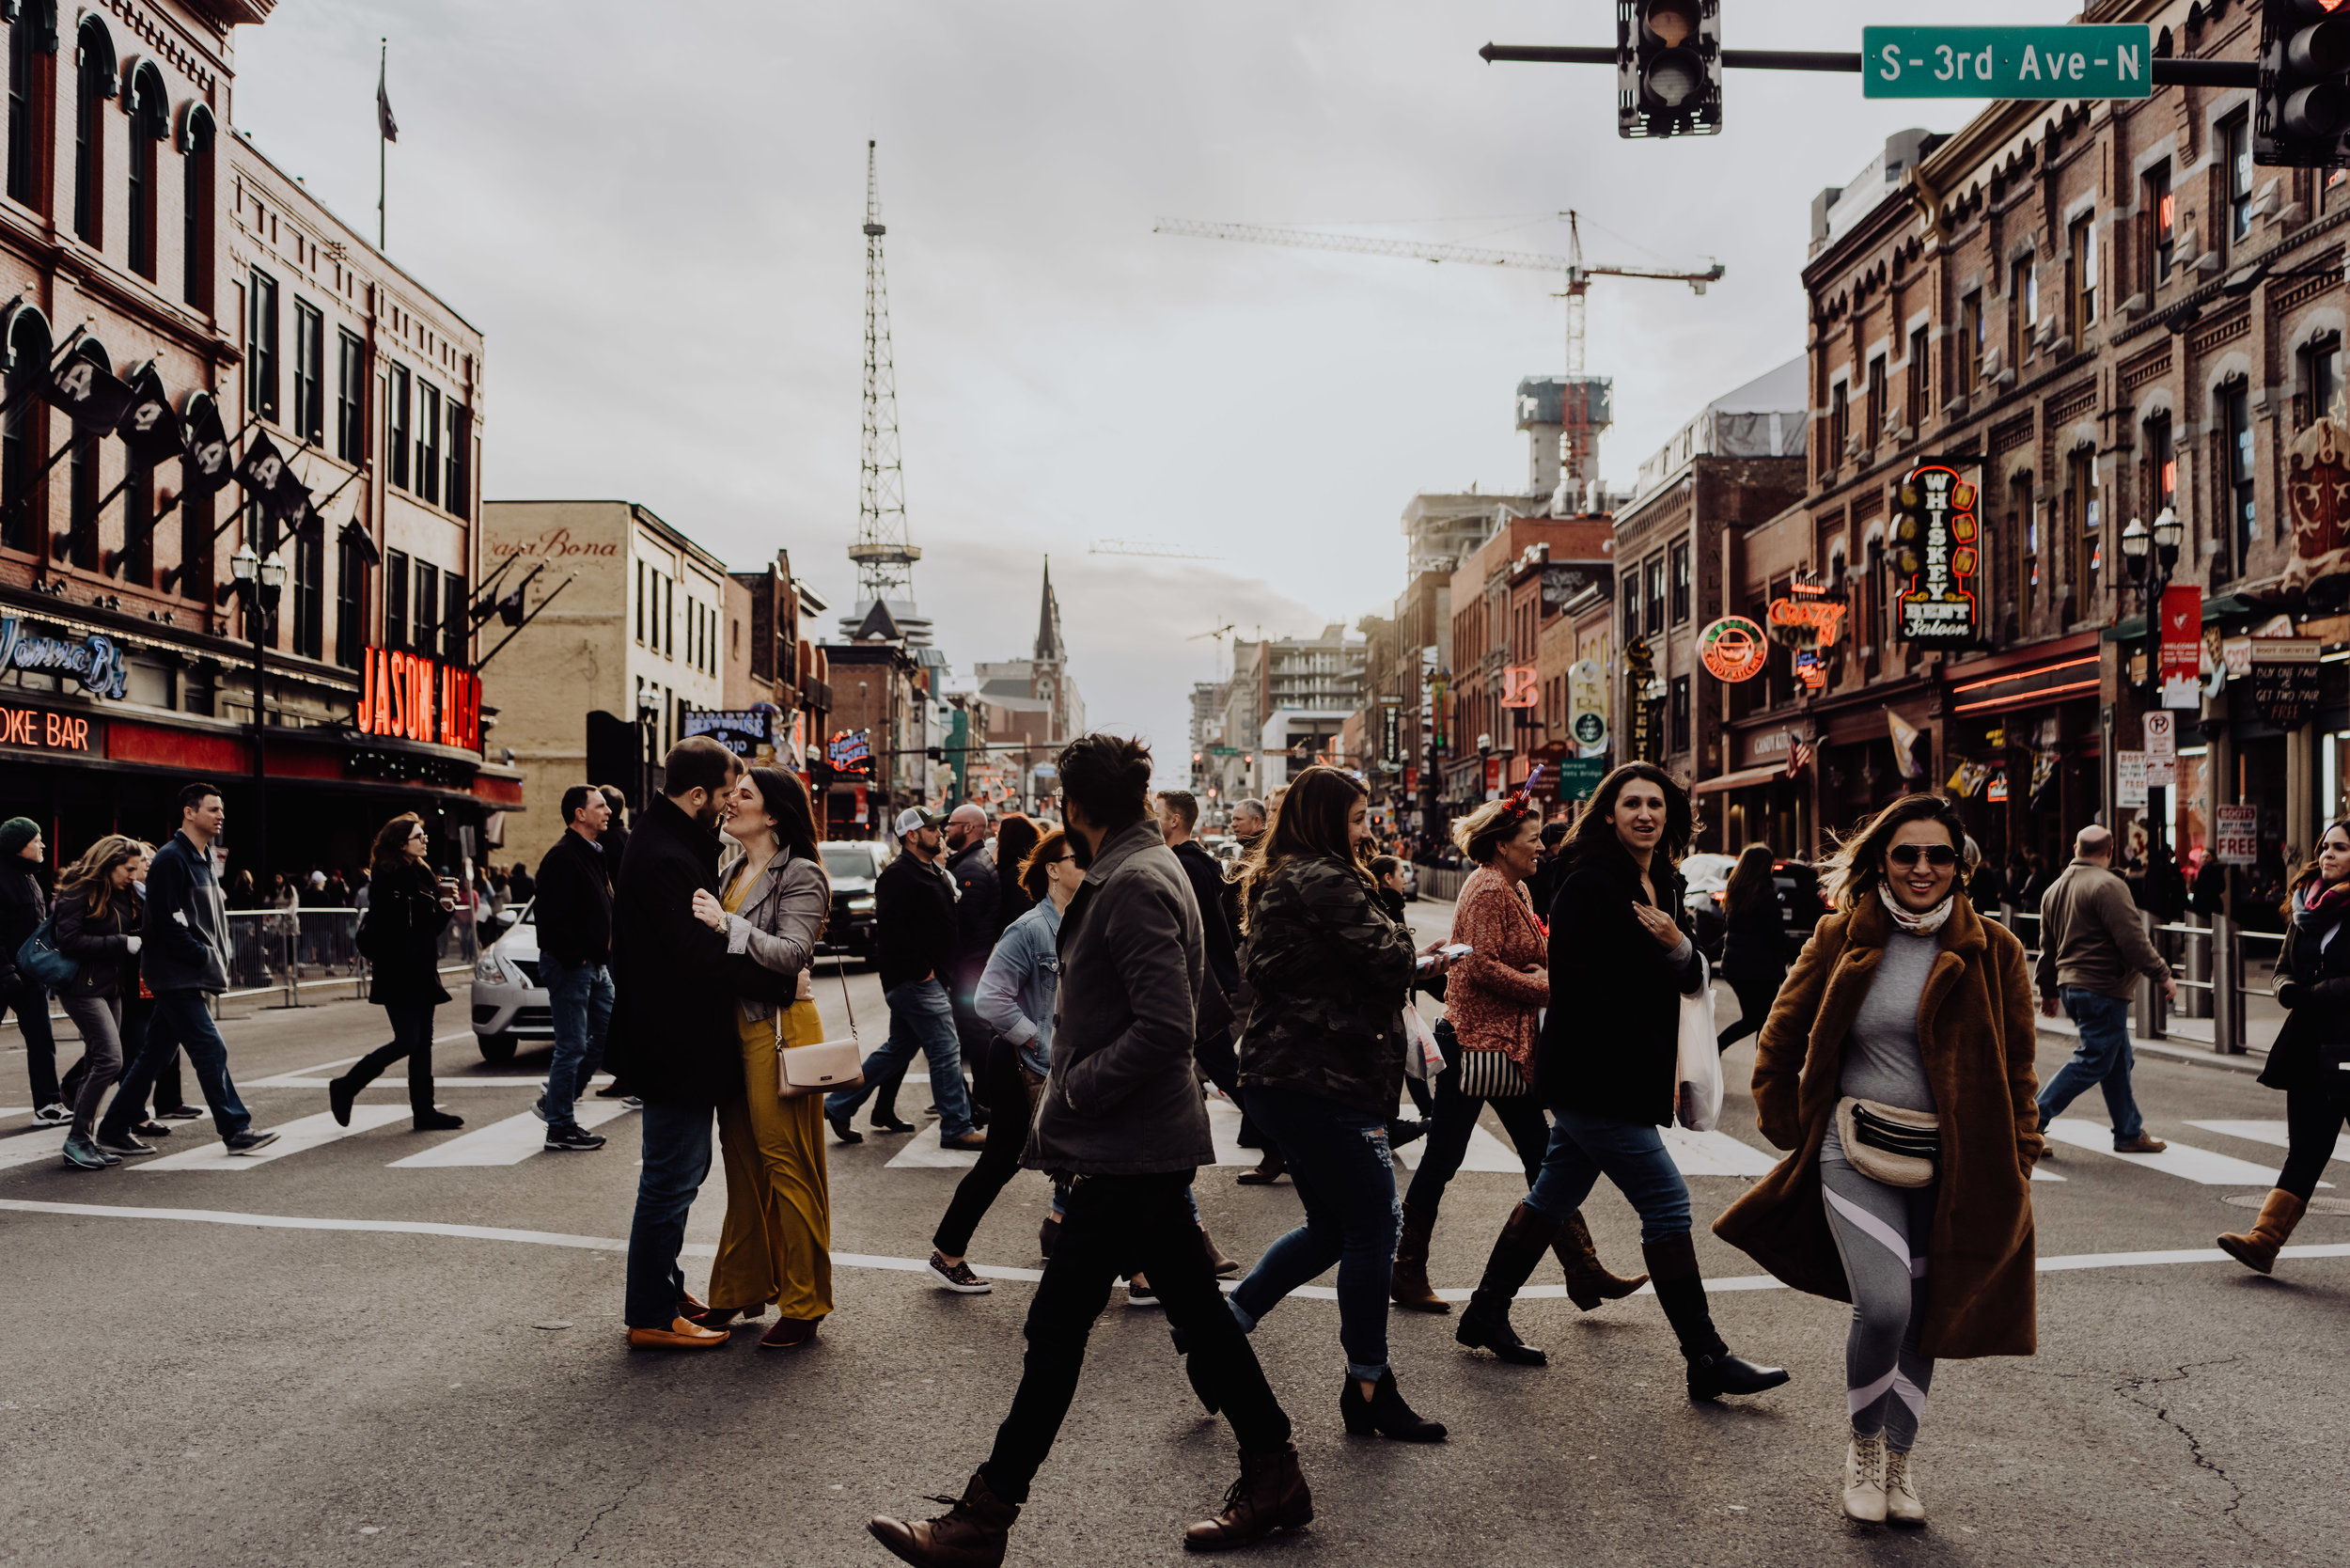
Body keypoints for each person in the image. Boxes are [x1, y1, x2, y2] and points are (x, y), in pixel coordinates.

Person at [869, 735, 1308, 1563]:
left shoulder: (1135, 881)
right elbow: (1204, 998)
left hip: (1127, 1142)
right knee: (1196, 1317)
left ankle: (983, 1519)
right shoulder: (1150, 866)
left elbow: (1172, 1023)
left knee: (1058, 1327)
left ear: (1076, 807)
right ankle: (1274, 1470)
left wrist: (1075, 1087)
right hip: (1135, 1140)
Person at [1718, 793, 2039, 1526]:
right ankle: (1863, 1449)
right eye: (1906, 854)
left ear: (1961, 866)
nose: (1923, 868)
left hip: (1955, 1161)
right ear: (1881, 863)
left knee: (1928, 1313)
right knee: (1887, 1304)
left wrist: (2021, 1153)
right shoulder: (1840, 936)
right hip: (1851, 1144)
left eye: (1939, 856)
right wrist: (1785, 1119)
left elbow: (2020, 1066)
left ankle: (1900, 1463)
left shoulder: (1996, 950)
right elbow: (1781, 1034)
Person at [1453, 762, 1789, 1402]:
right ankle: (1706, 1358)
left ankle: (1486, 1311)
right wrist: (1665, 962)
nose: (1644, 814)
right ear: (1609, 813)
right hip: (1594, 1074)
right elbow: (1583, 988)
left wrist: (1677, 950)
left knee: (1552, 1194)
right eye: (1631, 803)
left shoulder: (1663, 878)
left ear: (1669, 816)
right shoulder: (1587, 883)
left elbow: (1692, 974)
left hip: (1626, 1071)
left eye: (1655, 805)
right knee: (1666, 1203)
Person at [1228, 765, 1450, 1443]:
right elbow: (1384, 960)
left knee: (1333, 1227)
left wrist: (1409, 955)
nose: (1367, 830)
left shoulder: (1291, 873)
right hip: (1320, 1075)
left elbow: (1354, 963)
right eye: (1357, 819)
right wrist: (1404, 927)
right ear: (1327, 820)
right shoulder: (1323, 877)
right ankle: (1369, 1384)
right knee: (1374, 1227)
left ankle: (1220, 1331)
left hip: (1297, 1072)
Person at [1391, 795, 1645, 1317]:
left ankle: (1582, 1266)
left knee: (1541, 1155)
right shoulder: (1486, 888)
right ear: (1503, 844)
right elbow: (1480, 966)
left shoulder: (1516, 886)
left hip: (1506, 1045)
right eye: (1531, 840)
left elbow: (1528, 951)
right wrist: (1551, 990)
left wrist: (1551, 966)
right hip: (1478, 1044)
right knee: (1446, 1158)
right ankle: (1406, 1267)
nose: (1540, 848)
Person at [605, 737, 747, 1351]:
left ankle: (663, 1290)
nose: (726, 807)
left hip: (674, 1040)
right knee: (670, 1177)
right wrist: (745, 948)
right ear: (696, 794)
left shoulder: (669, 842)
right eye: (721, 797)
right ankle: (651, 1313)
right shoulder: (667, 856)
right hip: (674, 1043)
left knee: (683, 1171)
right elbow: (693, 955)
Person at [688, 765, 835, 1349]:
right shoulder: (729, 870)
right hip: (736, 1031)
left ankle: (806, 1302)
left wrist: (727, 924)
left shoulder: (800, 873)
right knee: (744, 1166)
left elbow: (793, 953)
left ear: (772, 814)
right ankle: (738, 1290)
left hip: (781, 1031)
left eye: (743, 795)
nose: (729, 801)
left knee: (787, 1163)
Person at [925, 826, 1078, 1294]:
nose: (1089, 864)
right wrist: (1035, 1039)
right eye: (1079, 858)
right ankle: (948, 1253)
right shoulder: (1031, 929)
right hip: (1020, 1064)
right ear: (1052, 870)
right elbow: (989, 997)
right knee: (1001, 1161)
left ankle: (1133, 1269)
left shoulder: (1085, 922)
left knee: (1092, 1162)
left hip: (1065, 1066)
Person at [100, 784, 277, 1155]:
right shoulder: (170, 859)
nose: (220, 815)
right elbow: (161, 922)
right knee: (209, 1047)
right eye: (212, 809)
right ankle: (236, 1128)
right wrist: (199, 954)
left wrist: (210, 956)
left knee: (156, 1054)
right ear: (189, 812)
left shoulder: (204, 855)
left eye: (221, 810)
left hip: (190, 971)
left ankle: (114, 1126)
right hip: (175, 973)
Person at [2217, 820, 2350, 1275]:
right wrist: (2286, 989)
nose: (2329, 854)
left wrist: (2319, 992)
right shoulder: (2305, 907)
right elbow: (2281, 967)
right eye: (2326, 846)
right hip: (2309, 1045)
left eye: (2341, 848)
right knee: (2306, 1149)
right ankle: (2264, 1240)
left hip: (2348, 1042)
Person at [822, 808, 984, 1151]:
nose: (939, 832)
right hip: (915, 982)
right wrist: (922, 972)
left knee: (897, 1051)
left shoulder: (930, 871)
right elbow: (893, 935)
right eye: (932, 828)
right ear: (912, 835)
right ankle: (957, 1126)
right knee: (945, 1049)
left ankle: (838, 1104)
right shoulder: (897, 876)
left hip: (929, 979)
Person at [2032, 826, 2173, 1155]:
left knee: (2116, 1059)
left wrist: (2049, 990)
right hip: (2102, 987)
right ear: (2110, 850)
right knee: (2095, 1059)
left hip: (2073, 985)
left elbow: (2047, 947)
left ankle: (2128, 1131)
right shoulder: (2109, 885)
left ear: (2074, 847)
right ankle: (2030, 1121)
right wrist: (2163, 974)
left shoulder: (2054, 888)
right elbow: (2132, 939)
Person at [326, 814, 465, 1134]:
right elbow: (395, 927)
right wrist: (427, 910)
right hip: (399, 970)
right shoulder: (389, 877)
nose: (425, 840)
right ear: (402, 843)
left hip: (422, 968)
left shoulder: (422, 872)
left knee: (423, 1044)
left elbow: (428, 930)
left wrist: (444, 908)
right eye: (419, 836)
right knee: (407, 1040)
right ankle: (346, 1085)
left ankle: (424, 1111)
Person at [51, 837, 149, 1168]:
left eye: (136, 869)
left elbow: (133, 928)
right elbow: (69, 941)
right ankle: (77, 1138)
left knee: (98, 1060)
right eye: (128, 868)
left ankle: (84, 1139)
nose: (133, 875)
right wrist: (121, 942)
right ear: (109, 863)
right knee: (110, 1060)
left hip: (111, 986)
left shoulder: (120, 891)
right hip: (81, 987)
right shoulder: (77, 889)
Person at [532, 785, 618, 1152]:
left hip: (595, 966)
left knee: (605, 1038)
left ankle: (555, 1102)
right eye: (600, 806)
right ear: (579, 814)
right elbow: (550, 918)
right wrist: (577, 956)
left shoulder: (592, 853)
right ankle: (560, 1126)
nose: (608, 811)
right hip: (573, 966)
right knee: (571, 1047)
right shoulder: (563, 857)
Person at [0, 817, 66, 1124]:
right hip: (5, 975)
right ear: (18, 846)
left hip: (29, 976)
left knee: (41, 1040)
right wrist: (5, 970)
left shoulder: (30, 877)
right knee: (41, 1039)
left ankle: (48, 1105)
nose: (42, 844)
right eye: (36, 839)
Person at [944, 802, 1005, 1122]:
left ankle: (983, 1096)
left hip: (967, 968)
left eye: (952, 824)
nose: (946, 829)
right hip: (970, 966)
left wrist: (951, 968)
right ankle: (973, 1096)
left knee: (972, 1033)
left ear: (968, 828)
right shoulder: (971, 862)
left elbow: (960, 926)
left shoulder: (971, 869)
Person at [1716, 843, 1796, 1052]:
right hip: (1760, 971)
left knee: (1756, 1019)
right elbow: (1776, 934)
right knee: (1762, 1020)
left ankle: (1721, 1048)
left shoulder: (1736, 894)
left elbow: (1731, 931)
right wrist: (1793, 957)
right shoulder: (1766, 896)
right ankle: (1722, 1048)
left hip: (1735, 969)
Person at [995, 813, 1041, 932]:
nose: (996, 838)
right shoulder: (1032, 865)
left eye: (999, 834)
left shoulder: (1016, 872)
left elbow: (1018, 911)